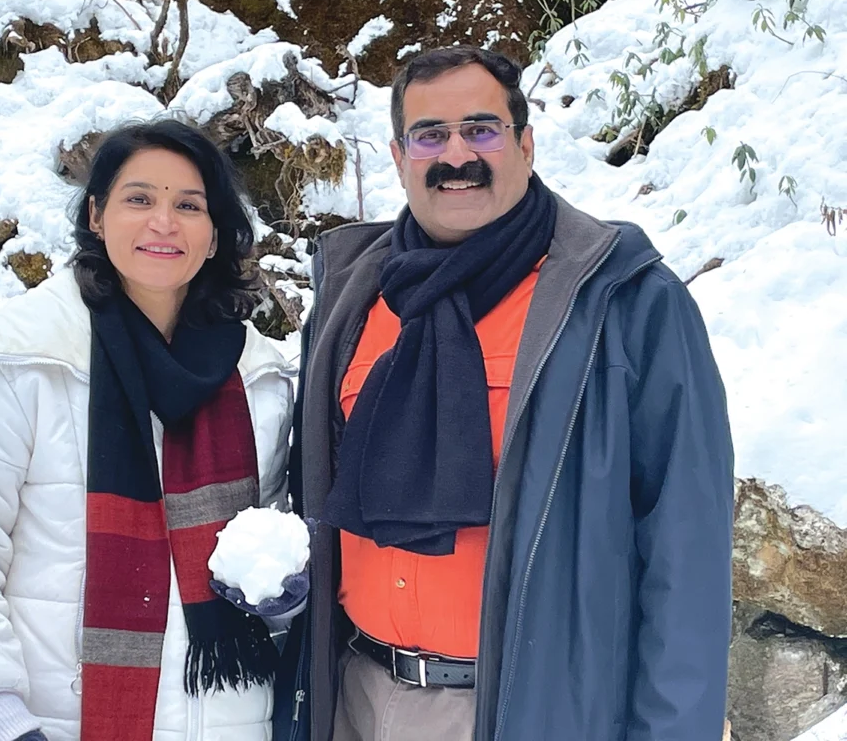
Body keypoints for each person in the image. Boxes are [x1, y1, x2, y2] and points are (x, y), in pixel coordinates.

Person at [275, 46, 735, 741]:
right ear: (400, 158)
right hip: (356, 696)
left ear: (525, 144)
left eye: (481, 129)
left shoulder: (626, 306)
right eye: (430, 135)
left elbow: (687, 555)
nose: (456, 154)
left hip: (530, 712)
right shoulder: (351, 294)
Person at [0, 119, 296, 741]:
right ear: (96, 214)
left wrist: (284, 593)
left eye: (189, 205)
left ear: (215, 231)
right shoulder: (22, 358)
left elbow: (268, 549)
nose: (164, 222)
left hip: (231, 720)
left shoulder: (261, 376)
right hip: (58, 722)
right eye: (139, 199)